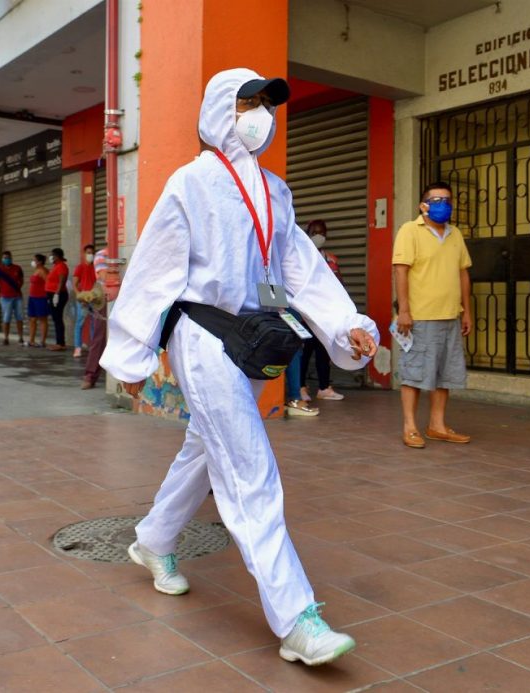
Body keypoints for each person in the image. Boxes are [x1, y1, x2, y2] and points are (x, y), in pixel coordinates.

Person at [101, 68, 378, 666]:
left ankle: (153, 540)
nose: (261, 115)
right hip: (201, 335)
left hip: (254, 339)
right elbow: (153, 269)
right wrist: (132, 352)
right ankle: (297, 618)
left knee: (206, 448)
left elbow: (300, 269)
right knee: (248, 466)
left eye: (267, 105)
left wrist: (346, 325)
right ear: (221, 110)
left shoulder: (276, 192)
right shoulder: (190, 184)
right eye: (249, 102)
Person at [393, 182, 473, 449]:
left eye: (447, 200)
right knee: (414, 373)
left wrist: (467, 312)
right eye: (436, 200)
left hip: (450, 315)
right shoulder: (409, 231)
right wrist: (404, 311)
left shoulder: (455, 234)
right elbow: (401, 271)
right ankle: (410, 427)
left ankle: (437, 426)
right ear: (423, 205)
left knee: (445, 374)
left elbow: (463, 274)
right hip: (420, 316)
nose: (443, 205)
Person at [301, 220, 344, 402]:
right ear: (308, 234)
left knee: (323, 352)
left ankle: (324, 388)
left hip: (324, 315)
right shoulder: (301, 257)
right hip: (305, 314)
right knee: (303, 353)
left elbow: (339, 285)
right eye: (314, 232)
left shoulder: (331, 260)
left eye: (322, 232)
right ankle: (300, 387)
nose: (319, 236)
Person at [78, 249, 111, 390]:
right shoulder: (102, 255)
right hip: (104, 301)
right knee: (99, 339)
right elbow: (104, 276)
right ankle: (90, 376)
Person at [0, 250, 25, 346]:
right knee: (6, 318)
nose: (7, 259)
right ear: (2, 259)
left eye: (8, 257)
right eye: (5, 258)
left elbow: (21, 280)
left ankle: (21, 338)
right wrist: (1, 291)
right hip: (5, 298)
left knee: (19, 317)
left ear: (11, 258)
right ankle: (6, 338)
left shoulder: (17, 268)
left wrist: (17, 289)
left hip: (17, 297)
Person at [72, 243, 97, 358]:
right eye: (88, 253)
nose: (90, 255)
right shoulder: (80, 267)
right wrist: (80, 296)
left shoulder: (96, 267)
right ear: (84, 254)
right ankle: (77, 348)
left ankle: (93, 348)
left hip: (95, 299)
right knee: (79, 323)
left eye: (92, 253)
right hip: (83, 300)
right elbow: (75, 284)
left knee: (94, 324)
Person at [45, 247, 69, 351]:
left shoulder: (61, 266)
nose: (51, 257)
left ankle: (60, 343)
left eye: (52, 255)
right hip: (53, 295)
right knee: (56, 318)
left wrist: (56, 294)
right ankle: (59, 342)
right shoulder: (56, 266)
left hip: (58, 295)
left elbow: (61, 281)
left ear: (57, 256)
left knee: (57, 318)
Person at [26, 254, 50, 348]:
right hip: (32, 298)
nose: (33, 262)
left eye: (35, 260)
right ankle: (31, 340)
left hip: (41, 298)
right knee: (32, 319)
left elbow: (48, 283)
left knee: (42, 319)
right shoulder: (36, 270)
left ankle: (42, 341)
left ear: (40, 262)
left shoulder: (43, 271)